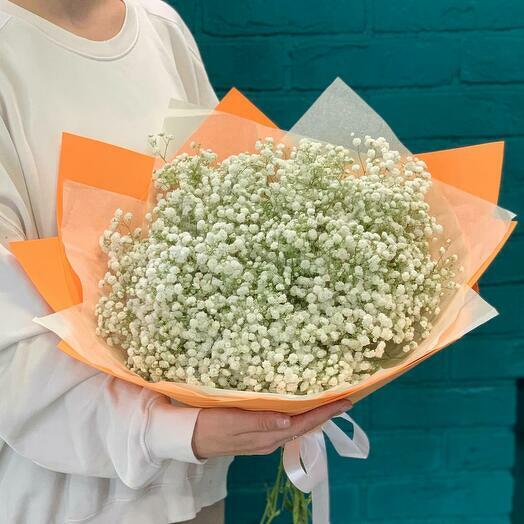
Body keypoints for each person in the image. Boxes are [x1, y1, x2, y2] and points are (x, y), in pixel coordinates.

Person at [0, 0, 353, 522]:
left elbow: (231, 199)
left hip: (195, 486)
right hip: (65, 500)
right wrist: (170, 430)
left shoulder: (158, 26)